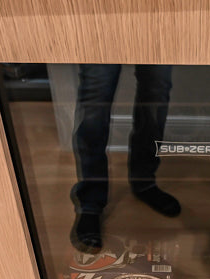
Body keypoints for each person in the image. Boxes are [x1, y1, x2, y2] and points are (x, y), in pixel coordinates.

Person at [70, 64, 180, 253]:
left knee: (156, 94)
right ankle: (90, 202)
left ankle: (143, 181)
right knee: (94, 101)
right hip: (99, 34)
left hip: (156, 33)